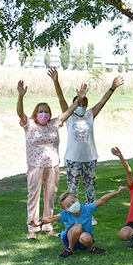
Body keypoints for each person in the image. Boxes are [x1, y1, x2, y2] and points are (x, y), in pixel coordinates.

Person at [49, 68, 124, 225]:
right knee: (72, 189)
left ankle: (89, 216)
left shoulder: (90, 114)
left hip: (90, 158)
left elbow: (102, 102)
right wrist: (56, 80)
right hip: (72, 159)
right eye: (79, 103)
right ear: (75, 104)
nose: (82, 106)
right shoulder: (68, 116)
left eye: (84, 104)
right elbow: (61, 99)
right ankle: (73, 215)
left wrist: (112, 87)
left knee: (90, 189)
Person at [17, 79, 80, 240]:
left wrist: (78, 100)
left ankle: (48, 226)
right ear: (35, 114)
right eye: (40, 111)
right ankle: (32, 228)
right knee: (33, 195)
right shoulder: (29, 124)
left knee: (50, 195)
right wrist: (20, 96)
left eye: (46, 112)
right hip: (35, 166)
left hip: (52, 165)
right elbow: (19, 113)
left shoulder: (53, 124)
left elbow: (67, 114)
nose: (43, 114)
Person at [39, 185, 125, 258]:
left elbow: (102, 200)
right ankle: (69, 249)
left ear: (78, 199)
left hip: (84, 238)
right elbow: (53, 218)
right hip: (70, 238)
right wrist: (40, 222)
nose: (72, 205)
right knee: (77, 226)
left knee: (85, 236)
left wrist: (116, 192)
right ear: (66, 209)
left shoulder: (87, 209)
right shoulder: (65, 214)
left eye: (73, 202)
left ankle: (91, 248)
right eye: (68, 206)